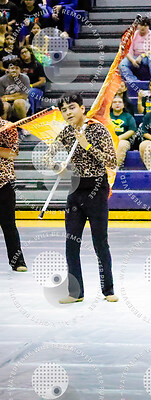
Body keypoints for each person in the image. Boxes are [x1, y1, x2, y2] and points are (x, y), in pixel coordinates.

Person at [42, 93, 118, 303]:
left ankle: (108, 290)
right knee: (71, 242)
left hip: (97, 188)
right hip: (76, 188)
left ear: (82, 108)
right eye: (64, 110)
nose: (68, 113)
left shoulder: (97, 129)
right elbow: (47, 157)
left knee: (100, 242)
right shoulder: (66, 132)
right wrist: (56, 166)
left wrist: (87, 145)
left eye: (72, 107)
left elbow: (112, 161)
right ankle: (75, 292)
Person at [0, 103, 27, 272]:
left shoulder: (8, 127)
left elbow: (12, 153)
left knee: (8, 224)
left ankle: (18, 261)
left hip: (4, 181)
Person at [119, 17, 151, 83]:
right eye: (141, 25)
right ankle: (133, 81)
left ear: (148, 27)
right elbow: (127, 50)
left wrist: (141, 56)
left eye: (145, 25)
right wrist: (132, 60)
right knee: (122, 64)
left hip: (147, 57)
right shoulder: (133, 35)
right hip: (135, 56)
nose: (143, 27)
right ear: (138, 26)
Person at [110, 95, 137, 168]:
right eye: (115, 102)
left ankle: (115, 168)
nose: (117, 104)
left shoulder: (128, 117)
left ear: (123, 105)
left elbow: (131, 130)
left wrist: (118, 138)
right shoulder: (107, 116)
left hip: (124, 140)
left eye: (120, 102)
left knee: (121, 144)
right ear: (111, 105)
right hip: (109, 139)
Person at [19, 46, 45, 114]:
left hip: (36, 89)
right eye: (22, 53)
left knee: (30, 92)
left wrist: (31, 86)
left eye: (25, 52)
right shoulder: (19, 66)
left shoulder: (38, 65)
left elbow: (42, 81)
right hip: (22, 89)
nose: (24, 54)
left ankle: (31, 113)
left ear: (30, 52)